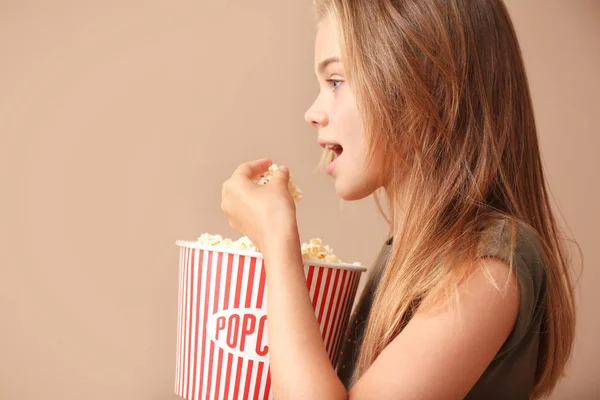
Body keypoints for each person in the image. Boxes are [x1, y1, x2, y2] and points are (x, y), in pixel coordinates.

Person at [220, 0, 576, 398]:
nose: (313, 112)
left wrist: (276, 240)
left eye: (336, 82)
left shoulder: (489, 266)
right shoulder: (406, 258)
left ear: (419, 85)